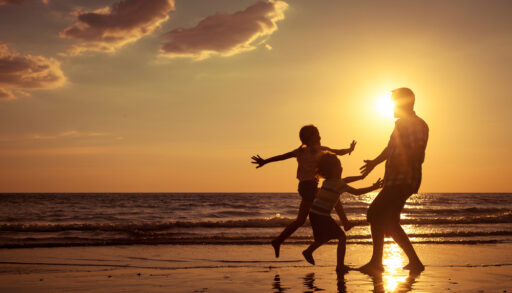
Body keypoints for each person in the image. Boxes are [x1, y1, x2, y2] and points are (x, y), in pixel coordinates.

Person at [251, 125, 356, 258]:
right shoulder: (318, 150)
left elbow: (282, 156)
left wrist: (266, 161)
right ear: (310, 138)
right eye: (317, 134)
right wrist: (349, 149)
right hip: (309, 187)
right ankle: (344, 223)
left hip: (304, 187)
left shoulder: (300, 151)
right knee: (333, 195)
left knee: (301, 220)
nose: (319, 136)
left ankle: (278, 241)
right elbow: (336, 151)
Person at [359, 87, 429, 274]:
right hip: (395, 180)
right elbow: (391, 148)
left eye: (393, 103)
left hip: (403, 180)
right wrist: (374, 162)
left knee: (374, 213)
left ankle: (377, 262)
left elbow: (418, 152)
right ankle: (414, 262)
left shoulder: (415, 124)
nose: (391, 107)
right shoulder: (401, 125)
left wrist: (402, 166)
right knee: (390, 221)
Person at [302, 153, 383, 273]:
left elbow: (346, 179)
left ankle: (308, 251)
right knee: (342, 237)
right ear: (334, 170)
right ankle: (340, 266)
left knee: (324, 237)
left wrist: (362, 177)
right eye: (339, 166)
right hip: (321, 215)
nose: (342, 167)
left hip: (314, 213)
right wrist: (373, 188)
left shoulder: (328, 182)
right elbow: (357, 192)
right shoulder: (339, 184)